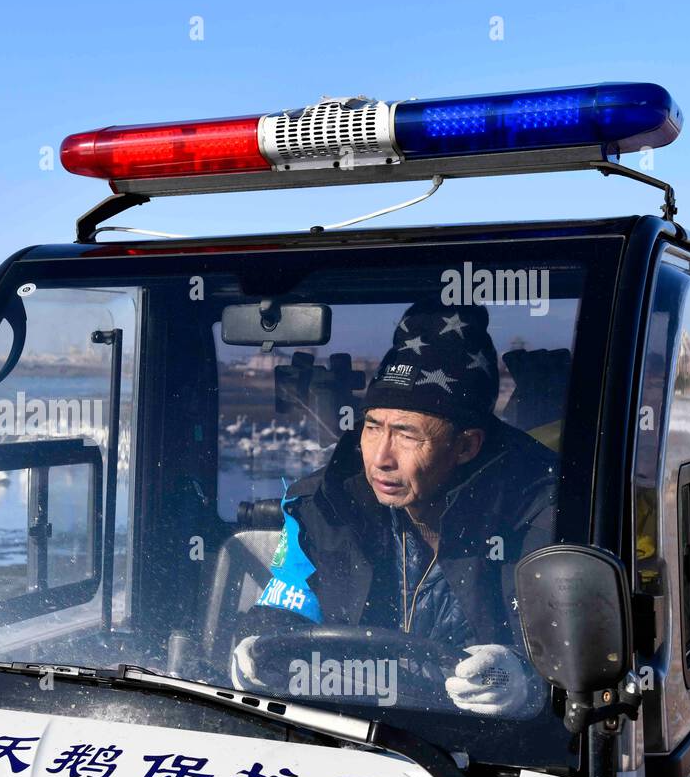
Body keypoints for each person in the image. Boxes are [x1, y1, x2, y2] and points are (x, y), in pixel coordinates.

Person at [232, 302, 555, 718]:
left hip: (491, 756)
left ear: (466, 445)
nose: (380, 458)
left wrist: (524, 681)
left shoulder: (541, 512)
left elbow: (571, 655)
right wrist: (258, 643)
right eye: (372, 427)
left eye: (406, 434)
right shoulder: (325, 506)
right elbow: (285, 606)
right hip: (351, 735)